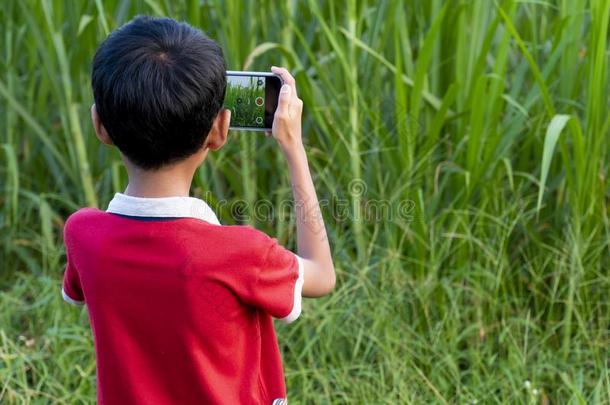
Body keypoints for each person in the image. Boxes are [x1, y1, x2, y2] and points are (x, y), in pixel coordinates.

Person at [61, 15, 335, 404]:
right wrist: (295, 148)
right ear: (220, 131)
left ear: (100, 125)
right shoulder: (243, 254)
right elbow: (322, 274)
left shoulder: (83, 234)